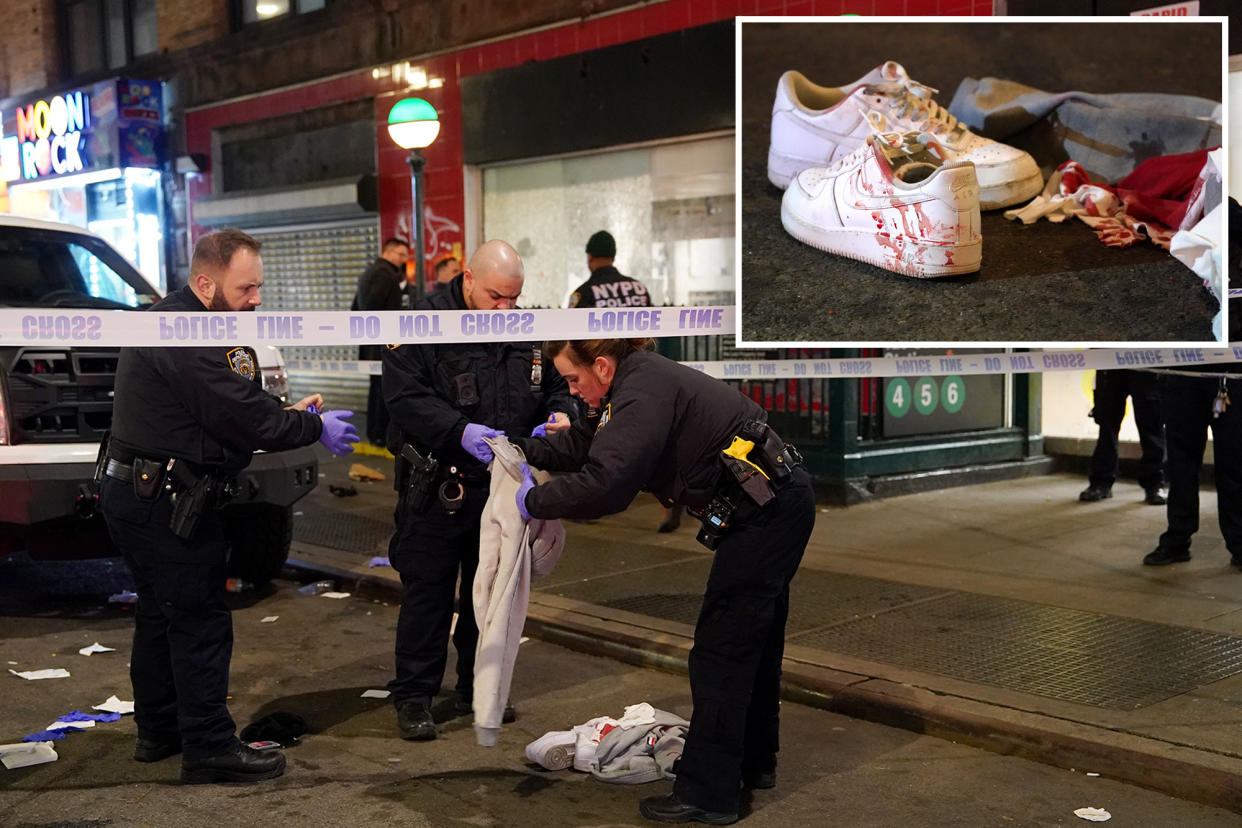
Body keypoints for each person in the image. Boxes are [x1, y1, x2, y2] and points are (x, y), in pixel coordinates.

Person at [512, 339, 815, 825]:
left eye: (574, 379)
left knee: (723, 650)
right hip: (772, 504)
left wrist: (536, 501)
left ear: (603, 367)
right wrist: (523, 448)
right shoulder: (633, 386)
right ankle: (753, 764)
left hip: (766, 511)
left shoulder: (640, 389)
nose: (573, 391)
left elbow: (607, 482)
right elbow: (593, 444)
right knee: (752, 646)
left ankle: (710, 794)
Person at [99, 229, 359, 784]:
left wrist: (284, 409)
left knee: (160, 614)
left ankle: (160, 732)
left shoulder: (191, 324)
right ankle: (210, 747)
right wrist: (312, 426)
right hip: (161, 501)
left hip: (145, 494)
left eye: (259, 286)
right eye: (246, 287)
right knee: (198, 621)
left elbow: (227, 402)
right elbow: (242, 414)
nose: (257, 298)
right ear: (204, 284)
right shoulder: (182, 330)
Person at [382, 239, 573, 741]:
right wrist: (456, 431)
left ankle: (476, 687)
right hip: (439, 484)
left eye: (514, 298)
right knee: (427, 594)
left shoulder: (525, 326)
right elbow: (404, 396)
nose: (506, 309)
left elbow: (555, 383)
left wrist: (560, 415)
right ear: (467, 279)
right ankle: (415, 696)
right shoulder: (422, 322)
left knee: (486, 595)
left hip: (501, 489)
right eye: (495, 297)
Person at [1143, 362, 1241, 568]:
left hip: (1233, 377)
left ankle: (1239, 542)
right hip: (1184, 375)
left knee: (1234, 465)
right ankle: (1178, 538)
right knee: (1180, 465)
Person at [1078, 369, 1167, 505]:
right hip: (1110, 360)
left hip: (1145, 361)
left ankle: (1155, 484)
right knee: (1107, 426)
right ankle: (1101, 482)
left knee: (1152, 426)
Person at [355, 237, 410, 444]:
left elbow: (356, 306)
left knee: (376, 388)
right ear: (389, 252)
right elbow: (373, 306)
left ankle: (374, 432)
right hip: (380, 341)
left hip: (369, 341)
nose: (404, 260)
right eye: (401, 255)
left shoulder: (369, 271)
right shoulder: (385, 275)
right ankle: (379, 434)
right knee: (383, 389)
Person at [567, 230, 653, 308]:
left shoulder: (584, 294)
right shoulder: (639, 289)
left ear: (590, 257)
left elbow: (572, 323)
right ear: (613, 257)